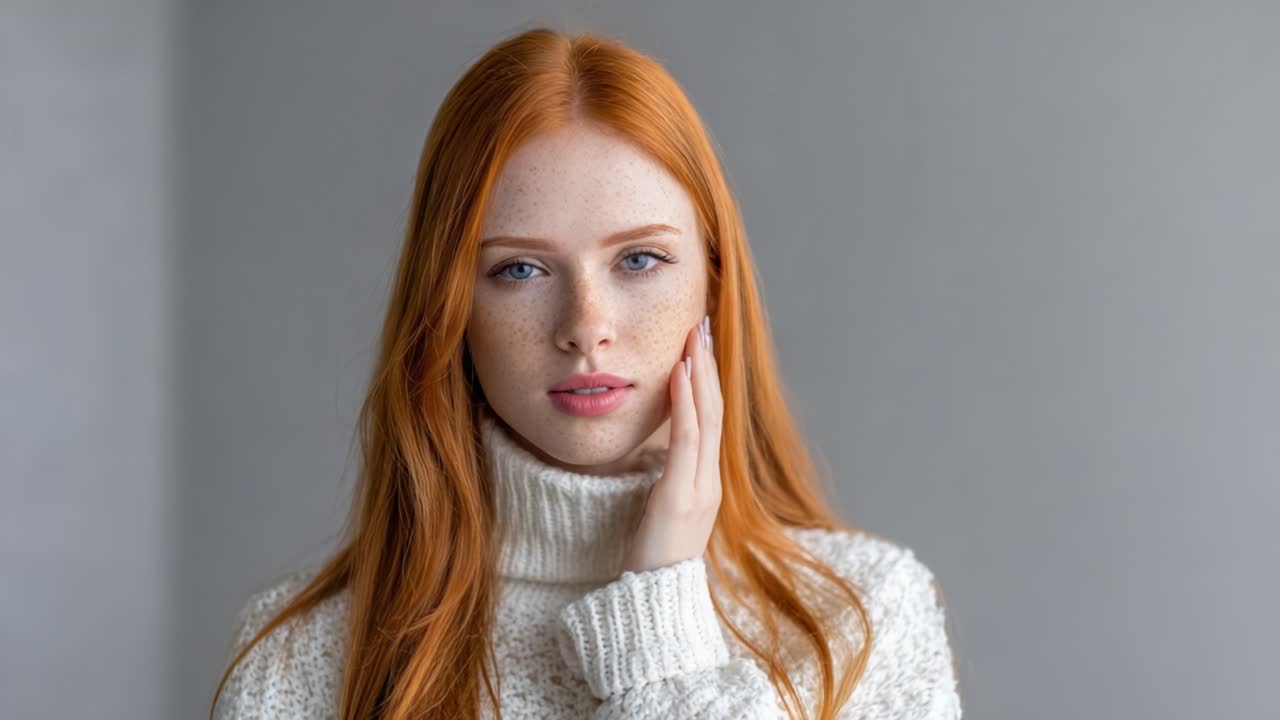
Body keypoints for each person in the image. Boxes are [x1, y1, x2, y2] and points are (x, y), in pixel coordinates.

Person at [210, 25, 962, 720]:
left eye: (640, 260)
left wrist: (659, 641)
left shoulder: (863, 621)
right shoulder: (298, 661)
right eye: (521, 269)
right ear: (448, 308)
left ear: (714, 282)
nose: (585, 327)